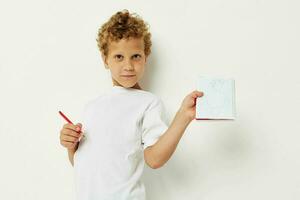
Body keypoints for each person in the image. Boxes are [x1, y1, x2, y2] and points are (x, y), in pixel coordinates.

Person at [59, 9, 204, 200]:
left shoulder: (148, 103)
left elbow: (154, 159)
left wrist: (183, 117)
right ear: (105, 60)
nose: (128, 65)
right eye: (119, 57)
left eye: (135, 56)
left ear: (145, 58)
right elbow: (81, 164)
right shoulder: (92, 106)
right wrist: (71, 146)